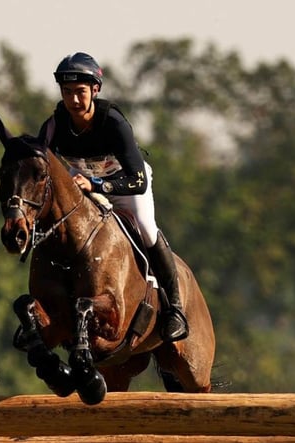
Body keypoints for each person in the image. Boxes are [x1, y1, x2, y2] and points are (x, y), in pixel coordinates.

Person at [39, 52, 189, 342]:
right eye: (67, 93)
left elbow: (139, 180)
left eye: (80, 92)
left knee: (146, 228)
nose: (73, 100)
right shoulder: (56, 124)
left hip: (126, 186)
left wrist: (97, 185)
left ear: (95, 90)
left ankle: (176, 311)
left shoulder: (113, 123)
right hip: (82, 184)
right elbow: (40, 157)